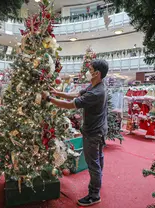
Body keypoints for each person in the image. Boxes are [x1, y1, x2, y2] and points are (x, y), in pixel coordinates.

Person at [42, 59, 109, 206]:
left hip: (93, 133)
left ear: (97, 73)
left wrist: (48, 98)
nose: (87, 72)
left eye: (90, 69)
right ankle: (98, 183)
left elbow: (69, 105)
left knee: (93, 163)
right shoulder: (96, 85)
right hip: (100, 129)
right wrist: (56, 93)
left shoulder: (96, 93)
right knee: (98, 158)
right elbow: (76, 95)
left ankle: (94, 195)